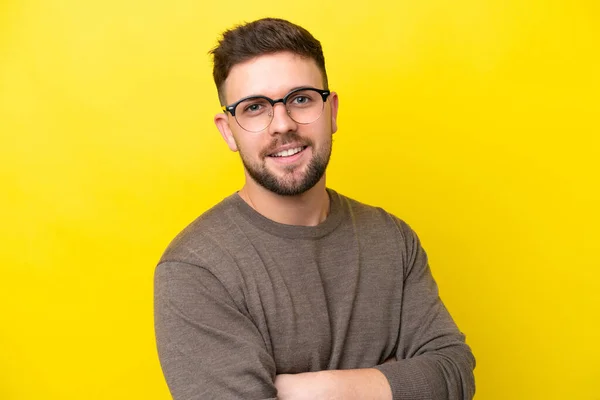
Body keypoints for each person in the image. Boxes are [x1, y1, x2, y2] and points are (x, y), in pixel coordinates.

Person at [154, 17, 476, 400]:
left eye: (301, 99)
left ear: (332, 111)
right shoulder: (197, 269)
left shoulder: (392, 239)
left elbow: (454, 374)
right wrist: (392, 381)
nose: (282, 124)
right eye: (255, 107)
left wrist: (308, 390)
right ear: (228, 130)